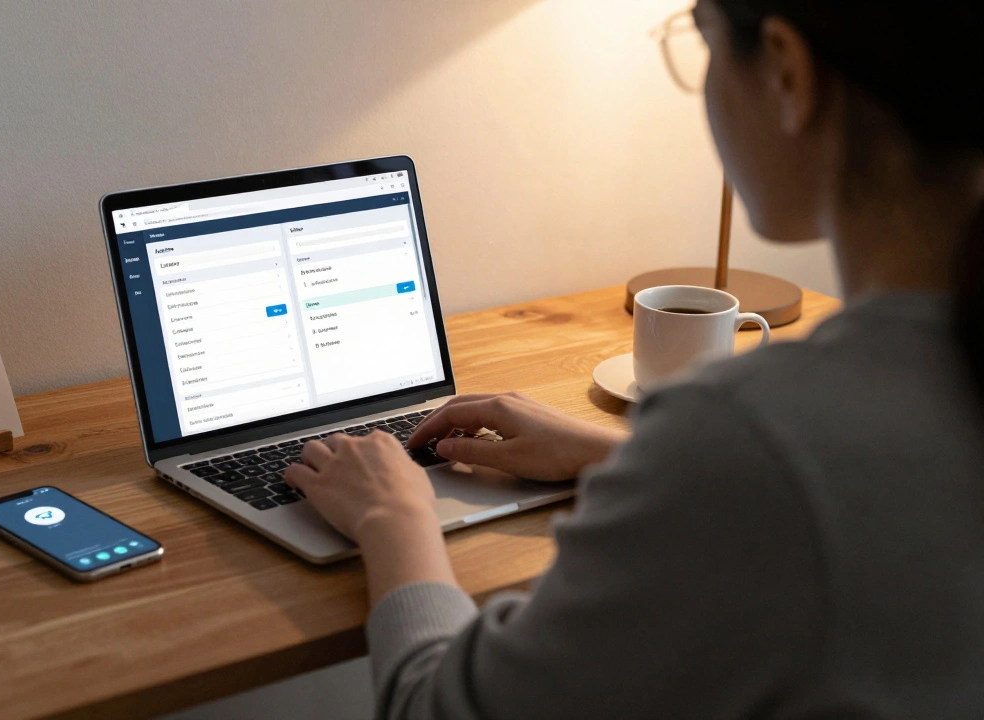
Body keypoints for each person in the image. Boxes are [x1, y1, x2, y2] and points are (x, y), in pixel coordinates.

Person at [283, 0, 984, 717]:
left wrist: (393, 516)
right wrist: (619, 456)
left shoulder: (751, 436)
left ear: (786, 72)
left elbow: (432, 708)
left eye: (703, 43)